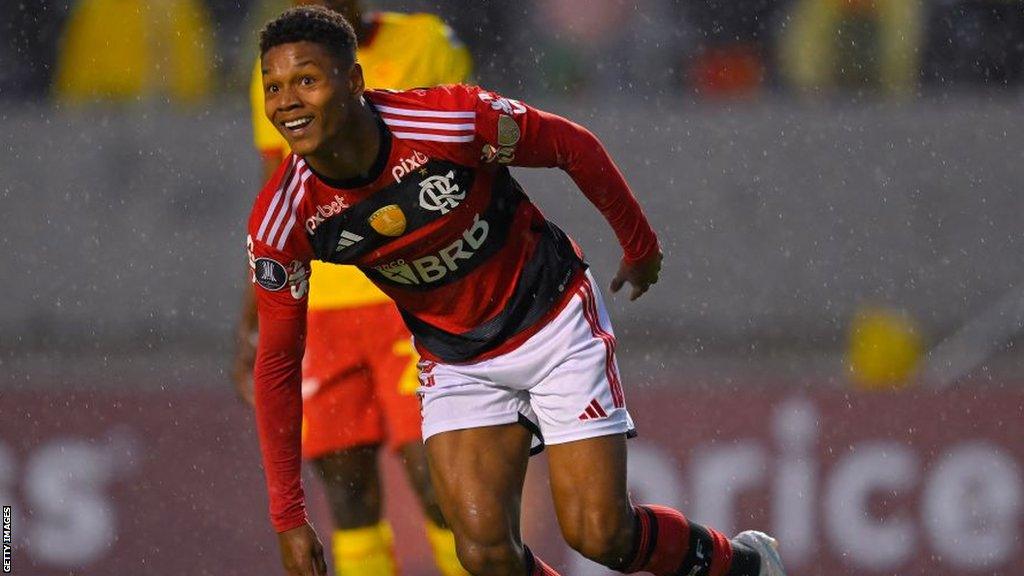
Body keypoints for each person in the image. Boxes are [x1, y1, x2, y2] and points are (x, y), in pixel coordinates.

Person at [246, 6, 787, 576]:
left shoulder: (449, 122)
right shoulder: (284, 218)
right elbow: (278, 364)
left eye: (307, 80)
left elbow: (570, 146)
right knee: (482, 553)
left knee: (602, 536)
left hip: (551, 319)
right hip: (456, 358)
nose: (288, 102)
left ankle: (741, 565)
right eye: (273, 87)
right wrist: (289, 517)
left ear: (354, 81)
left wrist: (640, 245)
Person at [232, 2, 471, 575]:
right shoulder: (278, 65)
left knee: (437, 481)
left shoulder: (424, 41)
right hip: (322, 304)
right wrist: (252, 318)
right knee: (348, 496)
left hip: (406, 294)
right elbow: (277, 190)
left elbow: (461, 151)